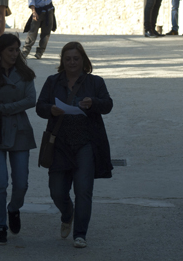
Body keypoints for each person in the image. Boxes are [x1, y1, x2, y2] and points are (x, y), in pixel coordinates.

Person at [36, 41, 113, 249]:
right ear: (62, 61)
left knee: (84, 190)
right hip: (59, 143)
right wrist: (51, 109)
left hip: (86, 143)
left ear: (83, 60)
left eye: (76, 59)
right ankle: (67, 213)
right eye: (68, 59)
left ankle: (80, 234)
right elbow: (39, 107)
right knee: (56, 190)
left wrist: (93, 103)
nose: (72, 62)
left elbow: (108, 105)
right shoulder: (53, 81)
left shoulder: (95, 82)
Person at [0, 33, 37, 245]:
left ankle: (13, 208)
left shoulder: (25, 73)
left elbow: (31, 100)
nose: (14, 54)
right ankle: (0, 225)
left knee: (21, 183)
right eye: (10, 50)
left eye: (17, 49)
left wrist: (3, 108)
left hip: (20, 130)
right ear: (0, 52)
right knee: (0, 183)